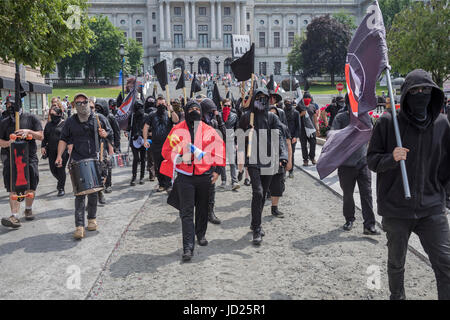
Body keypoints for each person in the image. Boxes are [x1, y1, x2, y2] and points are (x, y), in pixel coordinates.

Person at [367, 69, 450, 300]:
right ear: (405, 95)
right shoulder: (387, 122)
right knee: (396, 263)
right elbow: (371, 160)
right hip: (396, 209)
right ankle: (397, 297)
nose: (420, 94)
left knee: (446, 264)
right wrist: (390, 158)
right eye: (414, 91)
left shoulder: (442, 124)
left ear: (434, 94)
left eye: (425, 90)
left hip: (431, 208)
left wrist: (443, 197)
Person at [161, 99, 225, 261]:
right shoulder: (177, 130)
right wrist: (181, 158)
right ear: (186, 111)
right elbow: (167, 151)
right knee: (186, 212)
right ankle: (188, 246)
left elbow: (219, 149)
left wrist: (217, 170)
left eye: (197, 108)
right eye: (191, 109)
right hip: (185, 178)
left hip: (204, 177)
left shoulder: (209, 130)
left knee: (203, 209)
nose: (194, 111)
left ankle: (201, 234)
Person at [56, 93, 113, 239]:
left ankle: (92, 219)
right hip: (77, 160)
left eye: (84, 102)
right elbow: (63, 139)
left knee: (93, 192)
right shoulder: (70, 122)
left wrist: (105, 134)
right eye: (78, 103)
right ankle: (79, 226)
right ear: (74, 105)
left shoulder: (98, 118)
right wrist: (58, 156)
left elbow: (111, 133)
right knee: (80, 195)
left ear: (88, 102)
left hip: (94, 158)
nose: (82, 105)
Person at [238, 88, 288, 245]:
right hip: (253, 160)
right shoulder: (247, 117)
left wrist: (283, 155)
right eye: (258, 97)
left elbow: (279, 136)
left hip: (269, 161)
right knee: (258, 193)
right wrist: (246, 134)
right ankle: (258, 229)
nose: (262, 100)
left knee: (264, 193)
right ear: (254, 99)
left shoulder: (272, 117)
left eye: (264, 98)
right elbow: (238, 139)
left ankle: (254, 222)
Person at [331, 94, 380, 235]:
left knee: (367, 194)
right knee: (348, 194)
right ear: (348, 103)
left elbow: (371, 135)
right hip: (346, 164)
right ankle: (349, 219)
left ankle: (369, 225)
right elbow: (334, 137)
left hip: (363, 163)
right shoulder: (340, 118)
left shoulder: (365, 117)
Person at [0, 96, 43, 228]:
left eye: (11, 104)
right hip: (10, 158)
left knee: (31, 184)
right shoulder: (4, 122)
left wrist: (28, 131)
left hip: (29, 157)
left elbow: (41, 136)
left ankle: (28, 208)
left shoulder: (31, 118)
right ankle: (15, 216)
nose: (9, 106)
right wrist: (8, 143)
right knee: (14, 186)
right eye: (7, 104)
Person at [143, 96, 179, 192]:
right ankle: (161, 184)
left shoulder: (169, 114)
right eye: (159, 104)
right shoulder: (151, 115)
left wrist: (171, 110)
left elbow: (176, 120)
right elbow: (146, 127)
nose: (161, 105)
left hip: (168, 144)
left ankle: (168, 184)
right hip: (156, 144)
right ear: (156, 104)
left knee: (168, 164)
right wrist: (145, 140)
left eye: (163, 104)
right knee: (158, 165)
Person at [200, 98, 226, 225]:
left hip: (212, 161)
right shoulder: (196, 123)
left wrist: (219, 120)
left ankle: (210, 212)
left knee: (211, 188)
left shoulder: (215, 123)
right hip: (198, 161)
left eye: (213, 111)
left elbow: (222, 141)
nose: (212, 113)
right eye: (210, 111)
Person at [268, 106, 292, 218]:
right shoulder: (263, 127)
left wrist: (289, 161)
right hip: (265, 161)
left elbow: (288, 145)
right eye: (270, 113)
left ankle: (274, 208)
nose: (273, 116)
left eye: (275, 114)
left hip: (279, 161)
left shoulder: (283, 128)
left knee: (278, 186)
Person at [42, 101, 69, 197]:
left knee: (60, 169)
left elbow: (69, 137)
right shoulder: (49, 124)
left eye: (54, 114)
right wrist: (43, 146)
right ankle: (61, 179)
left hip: (62, 151)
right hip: (51, 150)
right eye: (51, 114)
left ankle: (61, 188)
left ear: (59, 114)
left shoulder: (65, 124)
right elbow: (45, 137)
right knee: (53, 169)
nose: (52, 116)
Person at [95, 98, 120, 193]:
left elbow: (116, 131)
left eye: (99, 107)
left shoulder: (110, 117)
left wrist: (116, 146)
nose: (98, 109)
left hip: (109, 143)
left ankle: (108, 184)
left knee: (108, 165)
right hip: (99, 144)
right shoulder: (95, 117)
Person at [220, 98, 240, 190]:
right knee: (222, 162)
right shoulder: (218, 115)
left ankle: (234, 181)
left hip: (231, 140)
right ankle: (223, 180)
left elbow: (237, 130)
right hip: (220, 141)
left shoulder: (234, 116)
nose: (227, 107)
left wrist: (237, 143)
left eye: (229, 106)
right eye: (225, 105)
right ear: (222, 105)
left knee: (232, 162)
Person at [128, 101, 147, 186]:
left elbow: (147, 127)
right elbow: (129, 128)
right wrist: (130, 135)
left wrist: (140, 133)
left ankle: (142, 177)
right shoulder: (131, 117)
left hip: (143, 140)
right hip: (134, 140)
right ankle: (134, 177)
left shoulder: (146, 116)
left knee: (143, 158)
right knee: (136, 159)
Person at [296, 91, 318, 166]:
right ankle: (305, 159)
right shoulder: (299, 107)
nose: (307, 99)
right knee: (303, 145)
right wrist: (302, 114)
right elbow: (295, 117)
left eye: (308, 98)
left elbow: (315, 117)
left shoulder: (313, 106)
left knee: (313, 143)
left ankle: (312, 157)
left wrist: (317, 128)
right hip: (302, 129)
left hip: (312, 129)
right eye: (305, 98)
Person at [283, 98, 300, 178]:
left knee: (291, 154)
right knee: (283, 153)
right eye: (286, 103)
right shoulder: (281, 112)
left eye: (289, 102)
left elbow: (298, 126)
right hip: (283, 136)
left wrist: (296, 137)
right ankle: (283, 170)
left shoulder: (296, 113)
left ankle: (291, 170)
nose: (288, 104)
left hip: (292, 137)